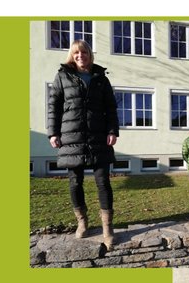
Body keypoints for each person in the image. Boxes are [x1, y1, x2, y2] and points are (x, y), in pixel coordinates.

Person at [47, 39, 119, 250]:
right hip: (71, 137)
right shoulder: (62, 76)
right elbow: (54, 106)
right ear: (72, 55)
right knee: (75, 182)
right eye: (77, 53)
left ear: (89, 55)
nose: (81, 56)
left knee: (103, 182)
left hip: (98, 137)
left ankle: (107, 227)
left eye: (84, 52)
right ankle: (82, 222)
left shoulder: (100, 78)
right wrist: (53, 133)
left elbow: (111, 108)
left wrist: (112, 131)